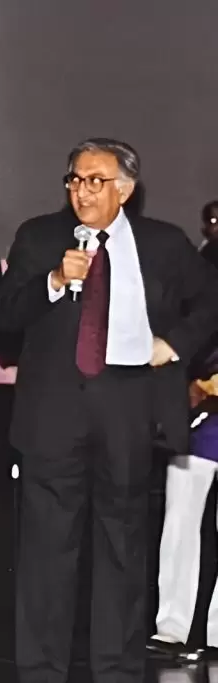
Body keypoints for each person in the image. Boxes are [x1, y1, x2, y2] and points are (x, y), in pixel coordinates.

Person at [0, 138, 218, 683]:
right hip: (54, 413)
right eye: (75, 179)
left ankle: (117, 670)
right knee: (47, 552)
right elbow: (6, 317)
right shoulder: (38, 237)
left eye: (96, 180)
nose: (83, 191)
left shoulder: (163, 243)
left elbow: (211, 299)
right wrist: (53, 282)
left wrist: (175, 345)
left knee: (122, 547)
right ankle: (41, 671)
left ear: (125, 188)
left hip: (127, 407)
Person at [151, 201, 218, 656]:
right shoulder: (200, 265)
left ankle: (208, 630)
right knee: (179, 518)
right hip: (201, 407)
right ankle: (172, 625)